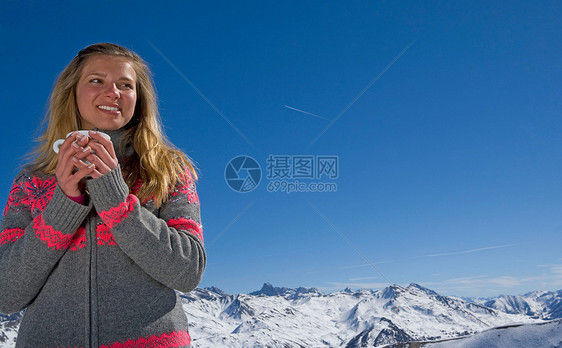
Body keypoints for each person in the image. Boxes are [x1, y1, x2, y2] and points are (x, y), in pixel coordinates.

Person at [0, 43, 206, 347]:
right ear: (73, 92)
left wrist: (116, 201)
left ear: (139, 99)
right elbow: (7, 293)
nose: (113, 92)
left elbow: (188, 271)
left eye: (125, 84)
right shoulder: (32, 181)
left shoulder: (168, 169)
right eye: (97, 80)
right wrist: (64, 205)